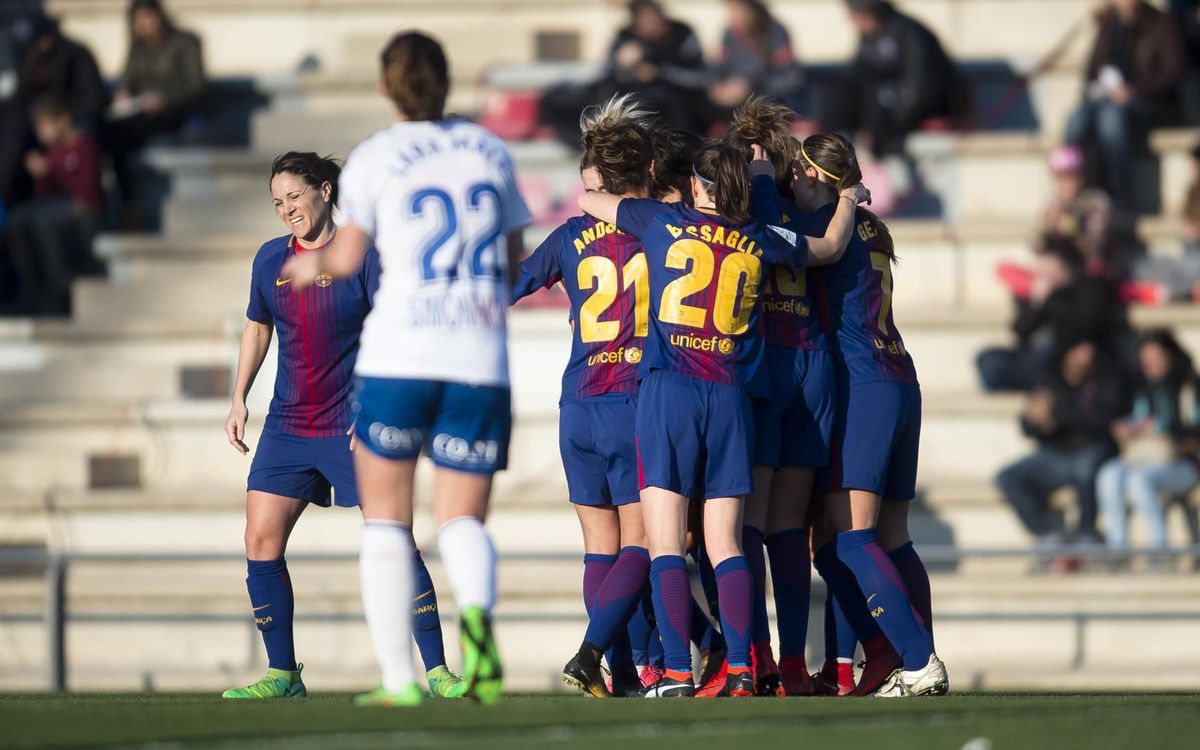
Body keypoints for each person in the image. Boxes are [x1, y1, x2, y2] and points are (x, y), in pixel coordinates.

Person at [282, 31, 530, 707]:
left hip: (401, 354)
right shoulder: (490, 150)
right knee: (463, 521)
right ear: (448, 80)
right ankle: (477, 629)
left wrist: (314, 263)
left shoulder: (376, 156)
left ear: (388, 86)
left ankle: (398, 680)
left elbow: (347, 252)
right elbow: (511, 258)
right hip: (480, 358)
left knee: (389, 521)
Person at [578, 138, 867, 697]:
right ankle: (740, 669)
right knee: (727, 542)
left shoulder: (659, 219)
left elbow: (593, 201)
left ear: (694, 185)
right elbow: (829, 247)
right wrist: (847, 196)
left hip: (670, 392)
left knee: (665, 543)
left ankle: (679, 673)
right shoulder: (757, 235)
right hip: (732, 394)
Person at [220, 152, 464, 701]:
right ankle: (283, 674)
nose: (287, 210)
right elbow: (257, 329)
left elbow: (398, 334)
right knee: (259, 537)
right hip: (288, 424)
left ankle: (437, 671)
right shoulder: (268, 261)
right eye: (277, 202)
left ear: (325, 191)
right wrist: (239, 398)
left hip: (352, 424)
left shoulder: (365, 256)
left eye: (295, 197)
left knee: (393, 539)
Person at [783, 132, 946, 698]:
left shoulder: (827, 223)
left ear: (817, 177)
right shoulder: (875, 225)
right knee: (891, 535)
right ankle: (904, 657)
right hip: (900, 377)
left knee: (849, 541)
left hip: (862, 383)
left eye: (796, 173)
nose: (790, 182)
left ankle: (917, 658)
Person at [511, 95, 654, 698]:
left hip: (578, 404)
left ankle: (617, 671)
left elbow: (507, 285)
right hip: (636, 403)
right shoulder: (663, 231)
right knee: (648, 542)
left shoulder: (569, 236)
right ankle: (613, 658)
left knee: (601, 545)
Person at [722, 98, 833, 697]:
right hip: (814, 364)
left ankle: (757, 659)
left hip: (767, 367)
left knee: (749, 527)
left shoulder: (741, 220)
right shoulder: (812, 216)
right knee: (791, 528)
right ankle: (795, 664)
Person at [996, 338, 1130, 555]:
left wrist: (1057, 415)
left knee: (1087, 469)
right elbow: (1030, 427)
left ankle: (1087, 532)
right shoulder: (1049, 380)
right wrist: (1034, 420)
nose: (1085, 355)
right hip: (1055, 453)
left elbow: (1104, 420)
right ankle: (1047, 535)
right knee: (1008, 477)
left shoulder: (1108, 378)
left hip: (1092, 448)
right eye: (1079, 349)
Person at [1064, 0, 1186, 205]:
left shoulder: (1161, 23)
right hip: (1107, 101)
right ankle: (1068, 190)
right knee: (1077, 119)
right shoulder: (1109, 25)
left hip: (1151, 105)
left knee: (1110, 117)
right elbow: (1091, 71)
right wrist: (1102, 89)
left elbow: (1173, 72)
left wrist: (1133, 90)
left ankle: (1119, 190)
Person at [540, 1, 707, 144]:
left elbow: (699, 77)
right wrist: (622, 64)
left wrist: (659, 72)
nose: (649, 23)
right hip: (633, 105)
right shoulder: (626, 36)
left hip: (675, 112)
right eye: (643, 18)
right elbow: (606, 72)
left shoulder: (682, 33)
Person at [977, 236, 1130, 393]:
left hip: (1062, 358)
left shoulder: (1089, 286)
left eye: (1048, 262)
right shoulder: (1036, 290)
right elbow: (1019, 331)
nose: (1041, 268)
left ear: (1064, 264)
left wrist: (1052, 299)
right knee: (988, 358)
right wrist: (1036, 305)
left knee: (1047, 354)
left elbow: (1080, 329)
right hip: (1030, 356)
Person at [1097, 330, 1200, 558]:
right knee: (1109, 475)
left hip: (1185, 461)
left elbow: (1194, 429)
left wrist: (1163, 427)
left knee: (1139, 482)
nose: (1151, 366)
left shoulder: (1191, 386)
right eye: (1147, 362)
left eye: (1157, 360)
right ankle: (1118, 549)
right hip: (1144, 457)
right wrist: (1126, 429)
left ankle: (1159, 550)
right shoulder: (1141, 386)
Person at [823, 0, 968, 159]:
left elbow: (919, 86)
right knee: (838, 91)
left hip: (923, 108)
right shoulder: (868, 38)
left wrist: (892, 126)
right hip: (890, 108)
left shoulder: (908, 32)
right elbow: (858, 77)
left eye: (854, 15)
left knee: (878, 100)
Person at [104, 0, 206, 224]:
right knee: (108, 131)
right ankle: (125, 203)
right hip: (143, 111)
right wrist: (124, 94)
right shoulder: (138, 48)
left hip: (177, 111)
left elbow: (195, 86)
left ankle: (129, 205)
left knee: (117, 135)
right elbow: (127, 80)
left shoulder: (186, 42)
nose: (143, 24)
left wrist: (164, 99)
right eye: (138, 20)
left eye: (147, 17)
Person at [3, 94, 101, 316]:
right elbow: (44, 195)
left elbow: (85, 193)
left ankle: (62, 287)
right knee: (17, 220)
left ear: (64, 120)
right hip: (57, 207)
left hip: (81, 209)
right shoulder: (52, 153)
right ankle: (29, 285)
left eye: (45, 125)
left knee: (43, 223)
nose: (41, 133)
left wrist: (53, 172)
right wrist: (42, 174)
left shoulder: (83, 146)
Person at [707, 0, 805, 119]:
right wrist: (716, 86)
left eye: (734, 9)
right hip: (733, 109)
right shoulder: (730, 33)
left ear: (750, 8)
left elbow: (791, 78)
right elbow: (718, 68)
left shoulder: (775, 32)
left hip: (768, 106)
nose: (729, 15)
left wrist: (750, 87)